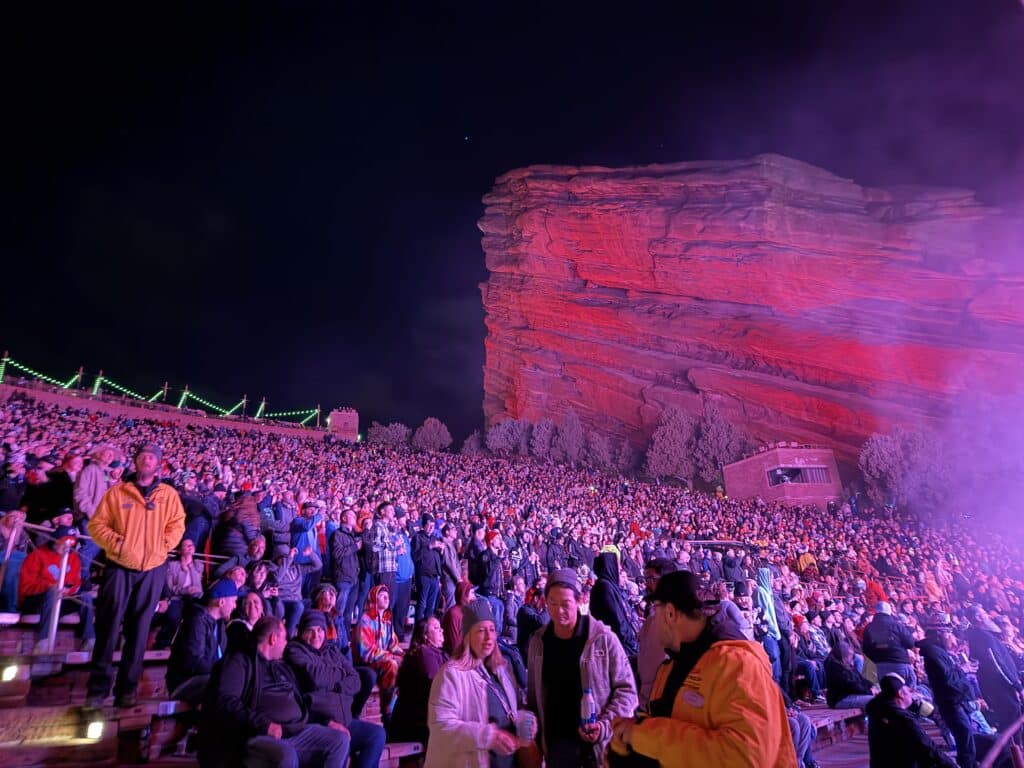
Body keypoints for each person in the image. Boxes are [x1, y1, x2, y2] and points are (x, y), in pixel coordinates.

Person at [609, 570, 797, 768]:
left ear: (670, 613)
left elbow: (747, 757)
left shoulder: (738, 665)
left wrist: (643, 735)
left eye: (655, 610)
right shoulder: (672, 666)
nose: (651, 621)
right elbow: (668, 734)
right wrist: (629, 742)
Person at [86, 443, 186, 708]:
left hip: (152, 568)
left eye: (152, 457)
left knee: (140, 630)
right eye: (143, 456)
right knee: (108, 626)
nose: (147, 460)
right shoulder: (117, 492)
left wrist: (163, 545)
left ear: (159, 464)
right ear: (135, 461)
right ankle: (97, 689)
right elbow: (96, 525)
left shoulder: (168, 495)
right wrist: (117, 544)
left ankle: (126, 690)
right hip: (119, 566)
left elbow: (178, 525)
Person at [200, 615, 350, 768]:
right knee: (285, 754)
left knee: (339, 740)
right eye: (284, 639)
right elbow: (224, 701)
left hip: (295, 731)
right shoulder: (239, 662)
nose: (286, 644)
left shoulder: (282, 667)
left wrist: (326, 722)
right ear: (273, 639)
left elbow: (301, 704)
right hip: (257, 735)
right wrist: (264, 725)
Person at [527, 568, 637, 768]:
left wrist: (603, 726)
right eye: (552, 603)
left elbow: (627, 692)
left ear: (579, 601)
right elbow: (534, 698)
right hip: (557, 748)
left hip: (598, 749)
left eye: (565, 604)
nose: (559, 610)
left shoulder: (603, 639)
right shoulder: (538, 642)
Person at [424, 599, 527, 768]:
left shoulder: (502, 671)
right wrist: (488, 737)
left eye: (492, 630)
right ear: (467, 636)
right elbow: (441, 728)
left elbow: (512, 712)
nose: (488, 637)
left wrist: (523, 722)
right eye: (481, 630)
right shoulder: (451, 674)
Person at [284, 610, 386, 768]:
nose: (316, 635)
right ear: (301, 632)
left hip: (344, 719)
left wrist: (333, 685)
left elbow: (355, 680)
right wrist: (340, 674)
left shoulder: (331, 650)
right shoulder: (294, 650)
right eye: (310, 630)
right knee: (340, 741)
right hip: (319, 723)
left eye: (320, 630)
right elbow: (316, 678)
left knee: (377, 734)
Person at [17, 524, 94, 652]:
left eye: (72, 542)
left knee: (85, 596)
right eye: (65, 541)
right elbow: (26, 586)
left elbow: (75, 582)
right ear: (55, 540)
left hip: (60, 598)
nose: (68, 545)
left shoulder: (73, 557)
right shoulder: (37, 555)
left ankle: (89, 641)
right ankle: (43, 642)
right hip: (35, 600)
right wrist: (49, 586)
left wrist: (69, 590)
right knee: (53, 592)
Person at [167, 578, 237, 703]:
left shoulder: (219, 624)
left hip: (208, 679)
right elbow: (194, 662)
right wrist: (224, 672)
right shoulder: (196, 620)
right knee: (228, 688)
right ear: (221, 602)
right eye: (233, 601)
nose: (235, 606)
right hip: (185, 683)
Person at [866, 673, 957, 768]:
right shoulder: (903, 719)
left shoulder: (877, 708)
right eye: (909, 691)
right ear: (900, 694)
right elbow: (927, 747)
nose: (913, 695)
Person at [389, 616, 448, 746]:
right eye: (436, 628)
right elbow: (436, 687)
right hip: (414, 721)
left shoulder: (438, 653)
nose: (441, 631)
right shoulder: (424, 653)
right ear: (425, 635)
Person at [965, 605, 1024, 735]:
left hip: (997, 685)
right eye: (984, 613)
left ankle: (1013, 751)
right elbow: (998, 665)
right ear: (978, 617)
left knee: (1010, 720)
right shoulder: (984, 637)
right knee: (1011, 720)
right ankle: (1012, 752)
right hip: (1000, 686)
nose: (988, 616)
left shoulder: (978, 636)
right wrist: (1017, 686)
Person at [352, 584, 403, 723]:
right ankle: (387, 711)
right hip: (367, 662)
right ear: (374, 598)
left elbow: (393, 645)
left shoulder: (387, 620)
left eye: (387, 595)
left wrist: (404, 655)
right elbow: (365, 650)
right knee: (391, 664)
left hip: (382, 659)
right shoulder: (365, 620)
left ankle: (396, 707)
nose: (387, 598)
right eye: (382, 595)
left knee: (406, 663)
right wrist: (389, 656)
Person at [638, 558, 675, 708]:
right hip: (647, 693)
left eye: (651, 578)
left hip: (660, 695)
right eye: (646, 578)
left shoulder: (672, 615)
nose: (647, 583)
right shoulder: (653, 612)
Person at [590, 551, 640, 660]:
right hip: (619, 645)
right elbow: (617, 618)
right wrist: (629, 641)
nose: (619, 569)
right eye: (617, 566)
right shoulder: (604, 587)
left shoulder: (610, 585)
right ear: (609, 567)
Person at [863, 601, 918, 688]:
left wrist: (876, 659)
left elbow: (866, 649)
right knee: (908, 691)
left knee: (888, 691)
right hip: (899, 662)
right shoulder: (896, 625)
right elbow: (910, 643)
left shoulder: (869, 628)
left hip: (880, 665)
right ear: (889, 611)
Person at [825, 640, 877, 710]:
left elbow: (860, 678)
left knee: (880, 696)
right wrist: (869, 691)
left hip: (851, 694)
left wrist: (871, 686)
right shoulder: (833, 666)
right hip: (840, 699)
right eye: (849, 655)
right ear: (842, 654)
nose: (851, 657)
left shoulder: (845, 663)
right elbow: (850, 684)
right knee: (876, 701)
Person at [412, 513, 443, 623]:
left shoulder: (435, 538)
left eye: (433, 525)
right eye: (429, 525)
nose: (431, 527)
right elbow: (415, 556)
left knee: (431, 605)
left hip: (435, 576)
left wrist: (441, 551)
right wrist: (429, 547)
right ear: (424, 525)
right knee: (422, 604)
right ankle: (419, 629)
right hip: (423, 576)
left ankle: (427, 629)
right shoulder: (417, 537)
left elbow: (438, 559)